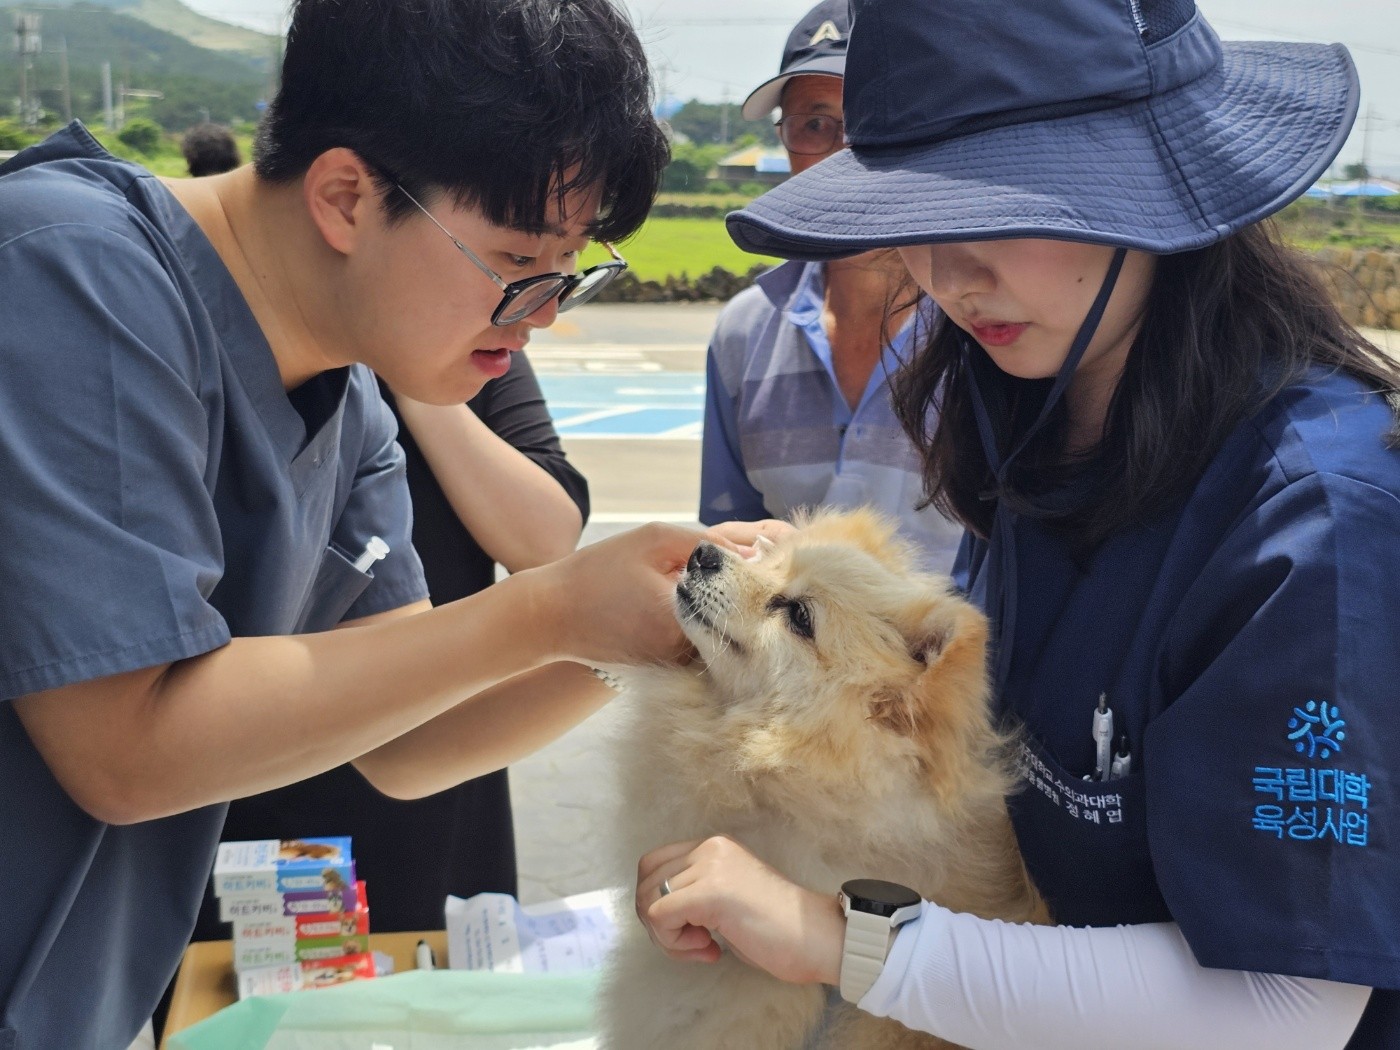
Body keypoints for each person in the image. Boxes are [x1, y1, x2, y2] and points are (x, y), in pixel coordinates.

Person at [634, 0, 1400, 1047]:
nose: (949, 275)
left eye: (998, 204)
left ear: (1152, 185)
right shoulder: (1036, 426)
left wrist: (832, 937)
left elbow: (1288, 1005)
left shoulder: (1305, 523)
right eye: (917, 214)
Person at [0, 0, 752, 1045]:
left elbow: (407, 743)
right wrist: (545, 611)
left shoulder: (349, 399)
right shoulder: (71, 272)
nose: (540, 316)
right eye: (517, 261)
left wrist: (659, 637)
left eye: (575, 271)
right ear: (347, 196)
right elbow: (126, 748)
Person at [193, 351, 586, 939]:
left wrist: (423, 383)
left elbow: (547, 536)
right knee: (259, 1004)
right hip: (260, 766)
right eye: (514, 256)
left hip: (441, 746)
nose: (540, 313)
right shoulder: (241, 356)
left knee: (435, 990)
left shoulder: (472, 341)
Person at [698, 0, 963, 571]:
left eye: (873, 120)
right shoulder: (744, 332)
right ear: (785, 140)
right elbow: (728, 545)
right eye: (815, 125)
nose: (844, 154)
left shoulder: (986, 326)